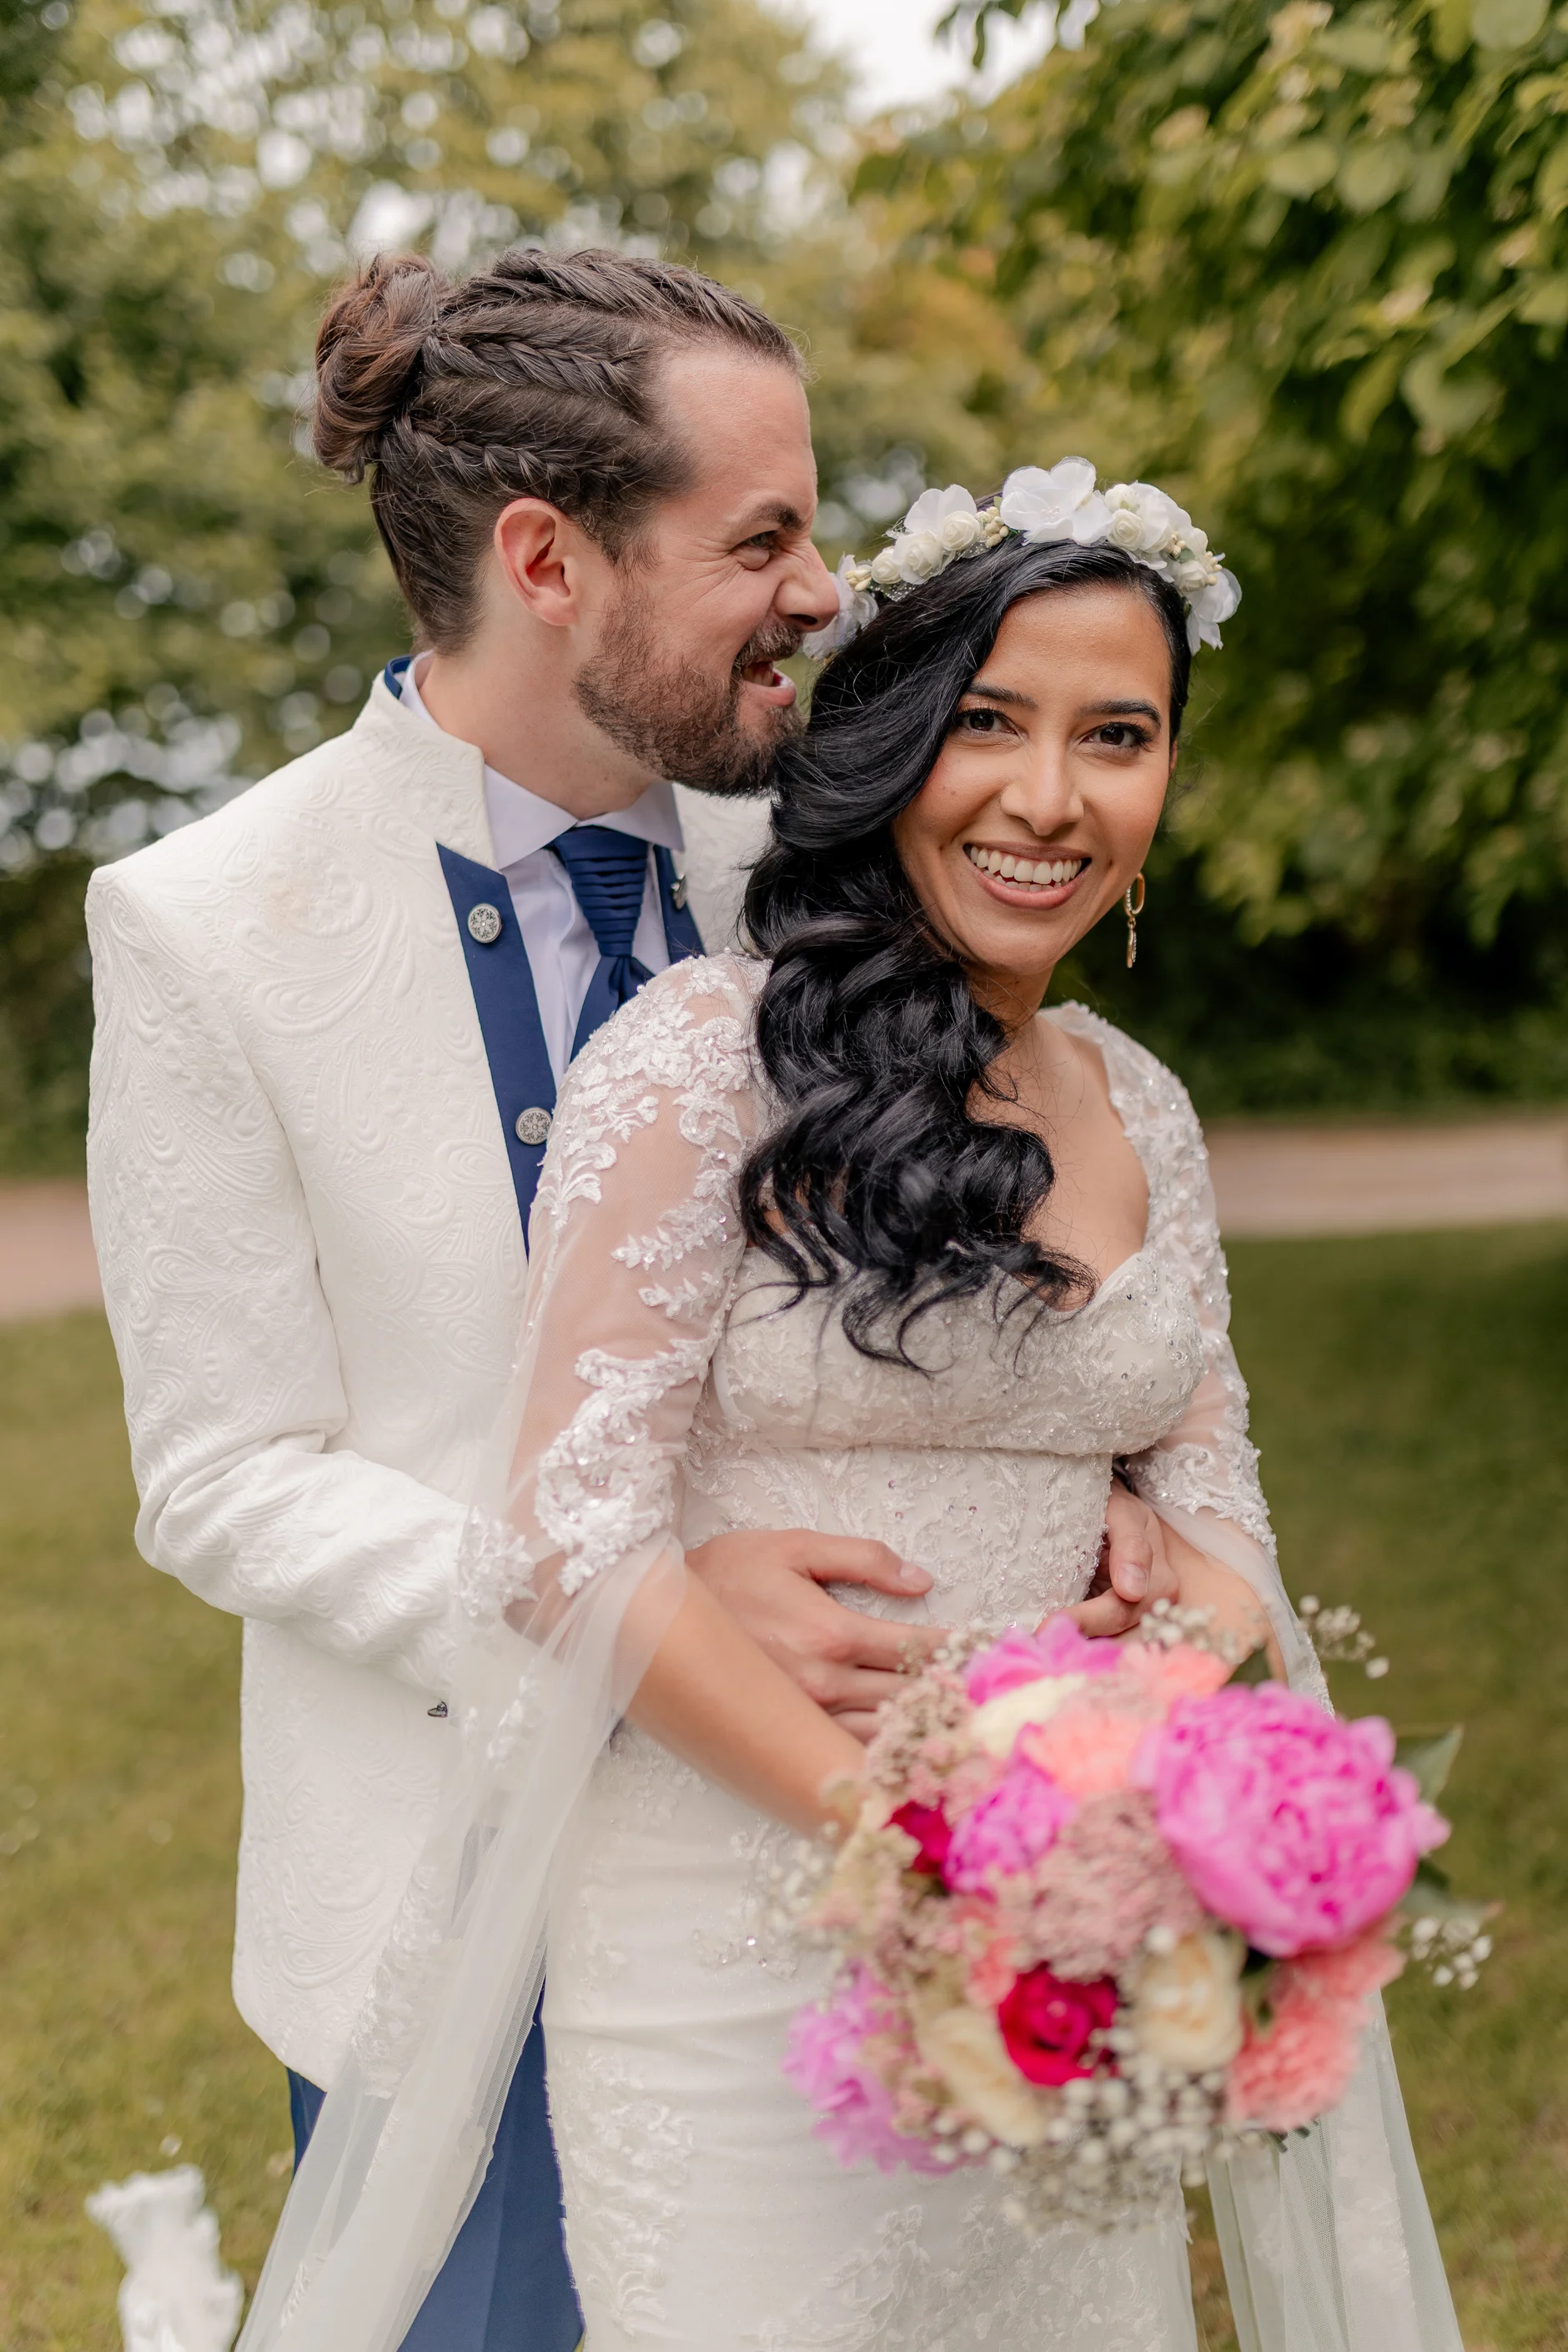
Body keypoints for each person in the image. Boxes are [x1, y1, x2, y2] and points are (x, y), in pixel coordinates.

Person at [236, 473, 1463, 2351]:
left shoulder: (1141, 1108)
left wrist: (1132, 1749)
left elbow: (1219, 1515)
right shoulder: (701, 1065)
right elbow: (573, 1533)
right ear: (887, 741)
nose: (1048, 798)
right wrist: (926, 1860)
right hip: (740, 1932)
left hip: (1071, 1938)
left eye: (1116, 738)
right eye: (988, 721)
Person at [84, 249, 1168, 2352]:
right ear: (545, 557)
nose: (823, 589)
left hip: (814, 1878)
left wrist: (1100, 1485)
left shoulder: (833, 875)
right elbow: (221, 1475)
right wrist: (614, 1594)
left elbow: (1013, 1213)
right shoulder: (207, 923)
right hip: (440, 1881)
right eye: (758, 535)